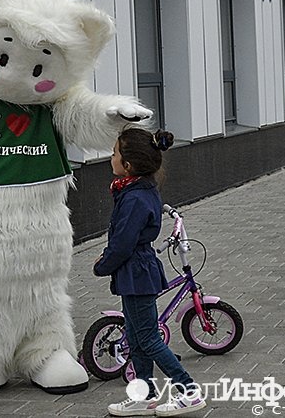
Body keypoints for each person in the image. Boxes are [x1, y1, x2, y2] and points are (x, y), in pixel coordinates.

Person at [94, 129, 205, 417]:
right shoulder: (136, 189)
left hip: (137, 271)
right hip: (134, 272)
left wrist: (103, 265)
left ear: (128, 164)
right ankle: (144, 395)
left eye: (115, 153)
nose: (112, 156)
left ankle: (189, 391)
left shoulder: (134, 198)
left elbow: (122, 243)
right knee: (135, 335)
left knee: (148, 339)